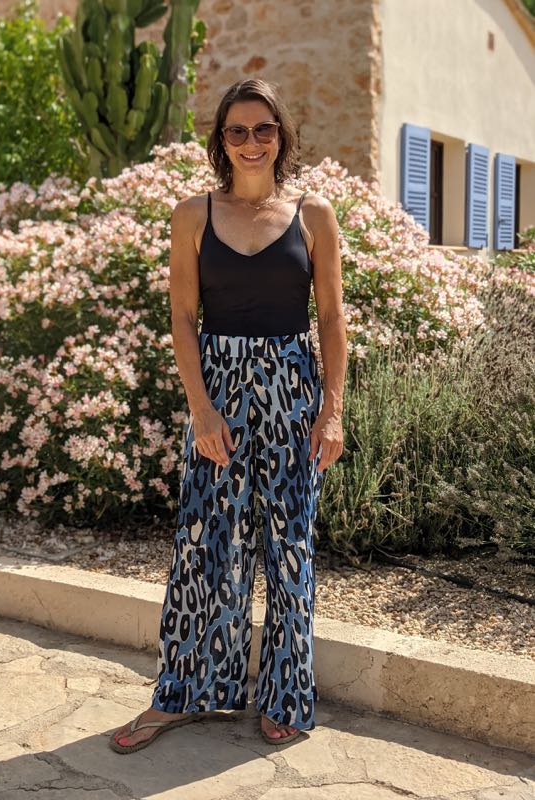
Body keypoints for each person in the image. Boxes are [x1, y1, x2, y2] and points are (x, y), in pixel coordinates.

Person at [110, 77, 347, 754]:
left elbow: (332, 318)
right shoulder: (193, 214)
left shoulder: (313, 214)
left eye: (263, 128)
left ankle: (287, 697)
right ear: (221, 140)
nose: (251, 142)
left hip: (292, 392)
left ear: (281, 136)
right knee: (207, 546)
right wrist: (201, 409)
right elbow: (183, 318)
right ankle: (183, 694)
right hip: (216, 389)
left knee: (290, 548)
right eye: (237, 130)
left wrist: (331, 411)